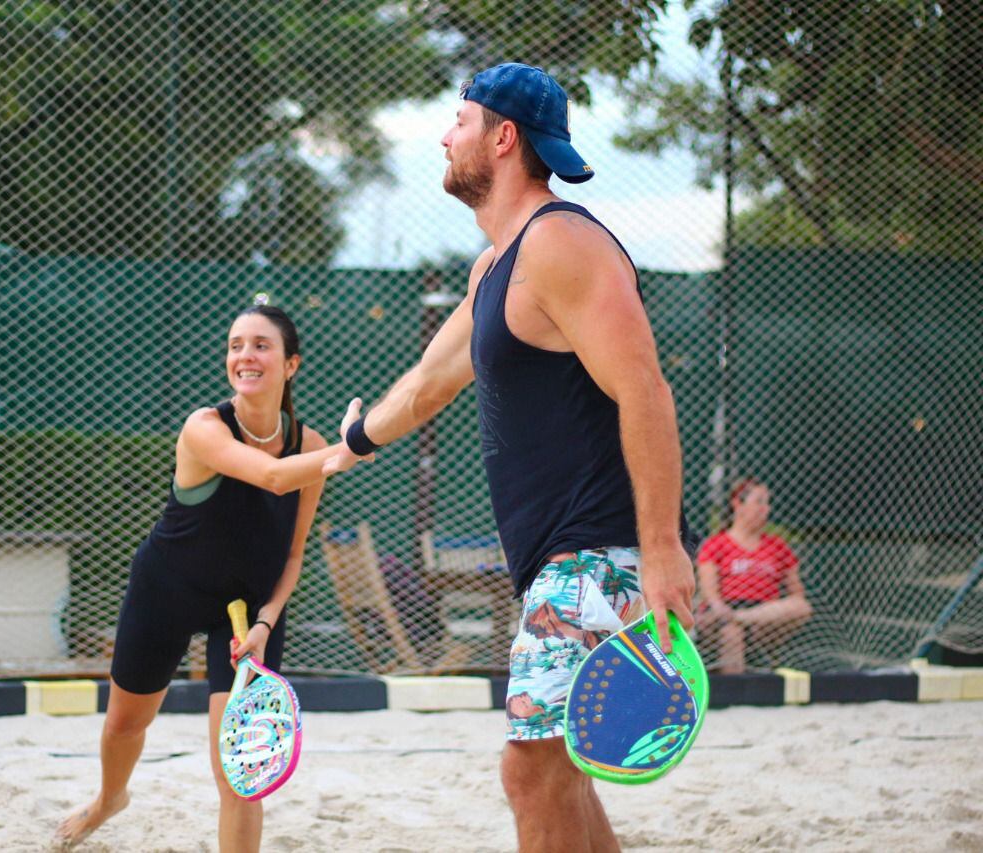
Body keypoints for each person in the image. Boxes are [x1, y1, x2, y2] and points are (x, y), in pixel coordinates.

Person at [324, 63, 696, 853]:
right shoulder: (497, 266)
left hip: (601, 556)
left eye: (458, 120)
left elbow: (647, 393)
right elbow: (428, 383)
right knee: (560, 773)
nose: (443, 135)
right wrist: (351, 444)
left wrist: (662, 550)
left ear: (503, 137)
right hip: (564, 562)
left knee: (531, 772)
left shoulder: (563, 241)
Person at [56, 305, 362, 852]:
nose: (245, 355)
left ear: (290, 364)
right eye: (235, 344)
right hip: (167, 590)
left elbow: (293, 554)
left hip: (248, 613)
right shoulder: (204, 427)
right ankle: (109, 799)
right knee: (125, 724)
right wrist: (354, 448)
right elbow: (269, 477)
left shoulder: (311, 447)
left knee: (240, 768)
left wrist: (267, 621)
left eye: (261, 345)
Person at [696, 478, 812, 674]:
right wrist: (721, 611)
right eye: (758, 501)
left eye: (767, 503)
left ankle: (740, 619)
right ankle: (737, 689)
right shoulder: (717, 544)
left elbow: (797, 595)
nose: (765, 509)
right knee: (731, 632)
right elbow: (710, 594)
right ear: (738, 504)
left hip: (764, 615)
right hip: (725, 611)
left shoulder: (778, 546)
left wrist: (749, 617)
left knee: (801, 607)